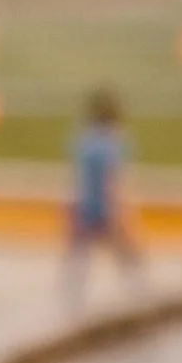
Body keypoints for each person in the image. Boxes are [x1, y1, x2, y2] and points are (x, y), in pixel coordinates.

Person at [63, 88, 144, 315]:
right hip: (105, 209)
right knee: (126, 255)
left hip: (82, 206)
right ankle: (139, 295)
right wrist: (123, 215)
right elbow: (114, 183)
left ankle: (73, 300)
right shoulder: (113, 143)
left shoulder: (83, 140)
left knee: (80, 257)